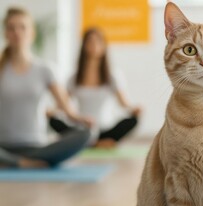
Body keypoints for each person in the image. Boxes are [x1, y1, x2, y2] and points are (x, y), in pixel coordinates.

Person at [0, 7, 91, 168]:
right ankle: (20, 162)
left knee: (85, 134)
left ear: (32, 32)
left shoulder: (45, 70)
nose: (17, 32)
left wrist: (80, 119)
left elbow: (66, 108)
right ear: (6, 33)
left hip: (36, 146)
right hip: (3, 146)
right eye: (11, 28)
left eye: (22, 27)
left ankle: (20, 162)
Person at [49, 28, 141, 148]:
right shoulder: (74, 78)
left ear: (104, 46)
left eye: (98, 42)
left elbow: (124, 104)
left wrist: (134, 109)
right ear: (84, 45)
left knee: (133, 120)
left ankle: (91, 143)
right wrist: (51, 112)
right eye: (90, 41)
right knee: (53, 121)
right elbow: (63, 105)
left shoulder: (112, 76)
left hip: (106, 129)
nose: (94, 45)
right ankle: (97, 143)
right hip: (82, 128)